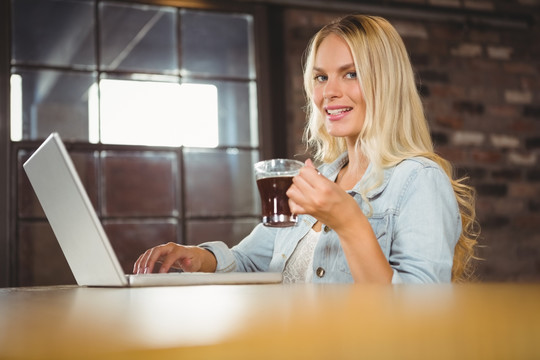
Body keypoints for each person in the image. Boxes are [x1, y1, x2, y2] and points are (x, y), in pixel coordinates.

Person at [133, 14, 479, 283]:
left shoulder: (418, 180)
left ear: (385, 83)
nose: (329, 91)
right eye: (320, 77)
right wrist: (196, 257)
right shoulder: (318, 180)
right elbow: (251, 261)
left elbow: (422, 316)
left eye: (351, 74)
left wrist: (347, 221)